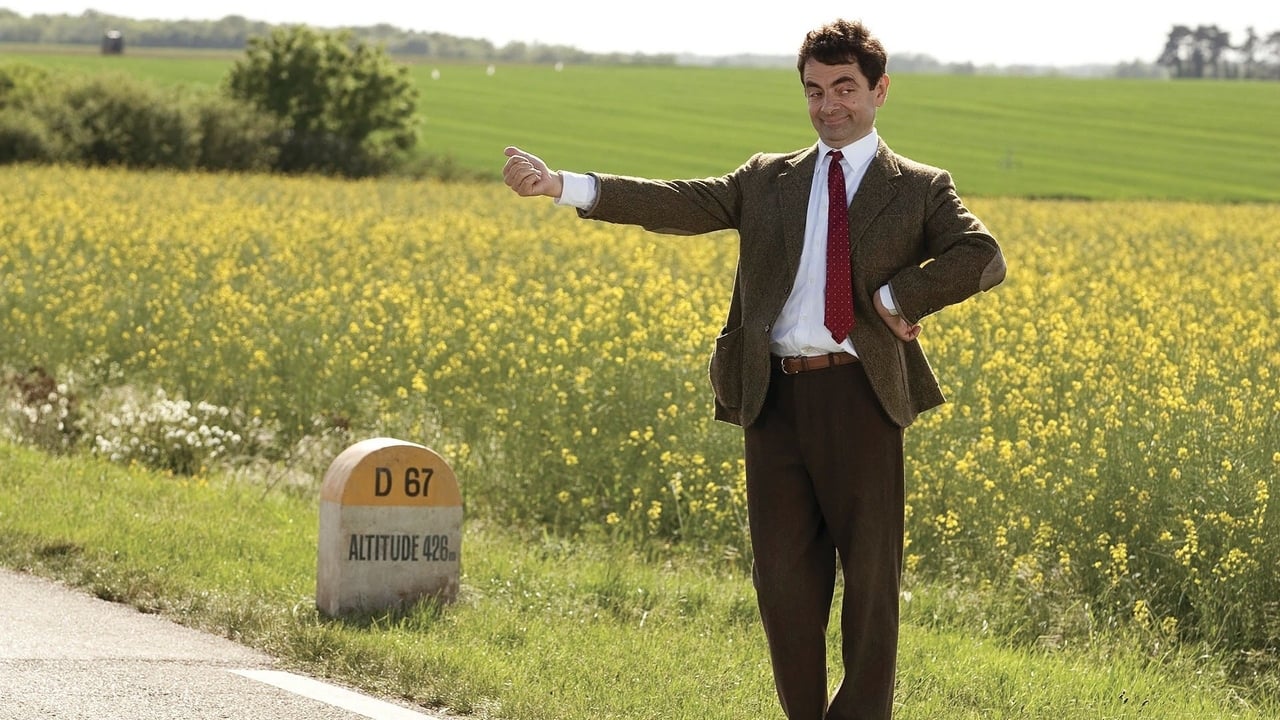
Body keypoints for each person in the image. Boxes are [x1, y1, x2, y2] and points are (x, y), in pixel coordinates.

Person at [501, 18, 1005, 720]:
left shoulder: (919, 187)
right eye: (815, 90)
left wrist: (897, 298)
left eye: (845, 88)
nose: (829, 104)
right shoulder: (767, 178)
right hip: (772, 399)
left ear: (880, 91)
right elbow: (677, 202)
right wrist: (563, 185)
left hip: (862, 397)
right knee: (784, 590)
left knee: (870, 588)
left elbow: (983, 256)